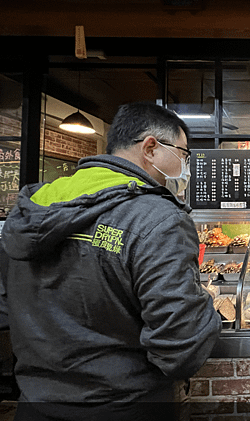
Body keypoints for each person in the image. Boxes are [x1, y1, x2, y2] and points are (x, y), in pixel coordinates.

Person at [0, 102, 221, 420]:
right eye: (183, 154)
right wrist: (207, 306)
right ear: (151, 148)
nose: (185, 166)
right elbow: (180, 348)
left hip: (36, 405)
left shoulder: (34, 206)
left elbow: (7, 306)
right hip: (126, 406)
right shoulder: (157, 218)